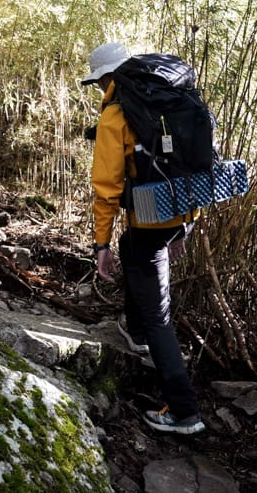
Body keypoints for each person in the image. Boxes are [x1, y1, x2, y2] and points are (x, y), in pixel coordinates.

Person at [86, 42, 205, 435]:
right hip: (180, 211)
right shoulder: (173, 96)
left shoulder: (117, 113)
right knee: (132, 249)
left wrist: (100, 245)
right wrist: (186, 226)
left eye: (98, 82)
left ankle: (184, 412)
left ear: (105, 78)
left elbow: (106, 188)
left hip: (151, 220)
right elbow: (200, 165)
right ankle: (135, 334)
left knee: (159, 315)